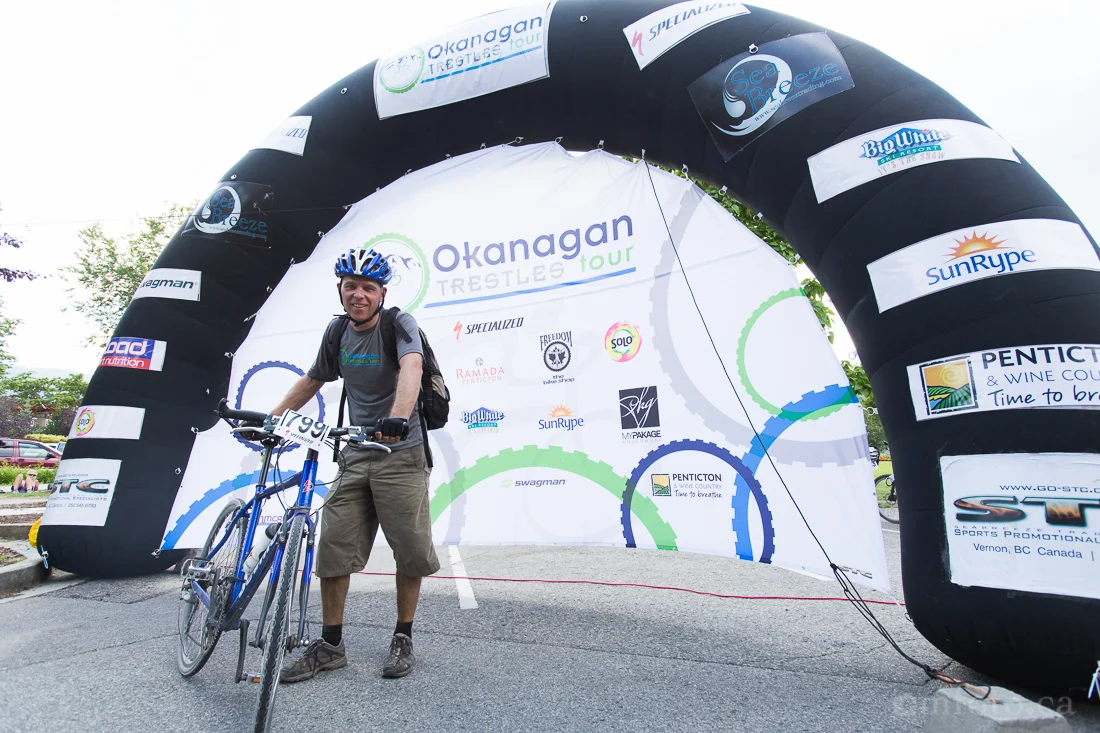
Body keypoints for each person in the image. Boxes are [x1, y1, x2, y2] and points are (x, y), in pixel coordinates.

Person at [274, 247, 439, 683]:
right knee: (334, 548)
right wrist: (272, 419)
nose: (359, 295)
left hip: (401, 453)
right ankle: (331, 645)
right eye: (351, 287)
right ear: (340, 290)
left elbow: (412, 366)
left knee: (410, 549)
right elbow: (314, 378)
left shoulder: (399, 324)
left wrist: (398, 418)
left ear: (382, 293)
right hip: (354, 452)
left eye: (368, 287)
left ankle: (403, 636)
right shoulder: (337, 331)